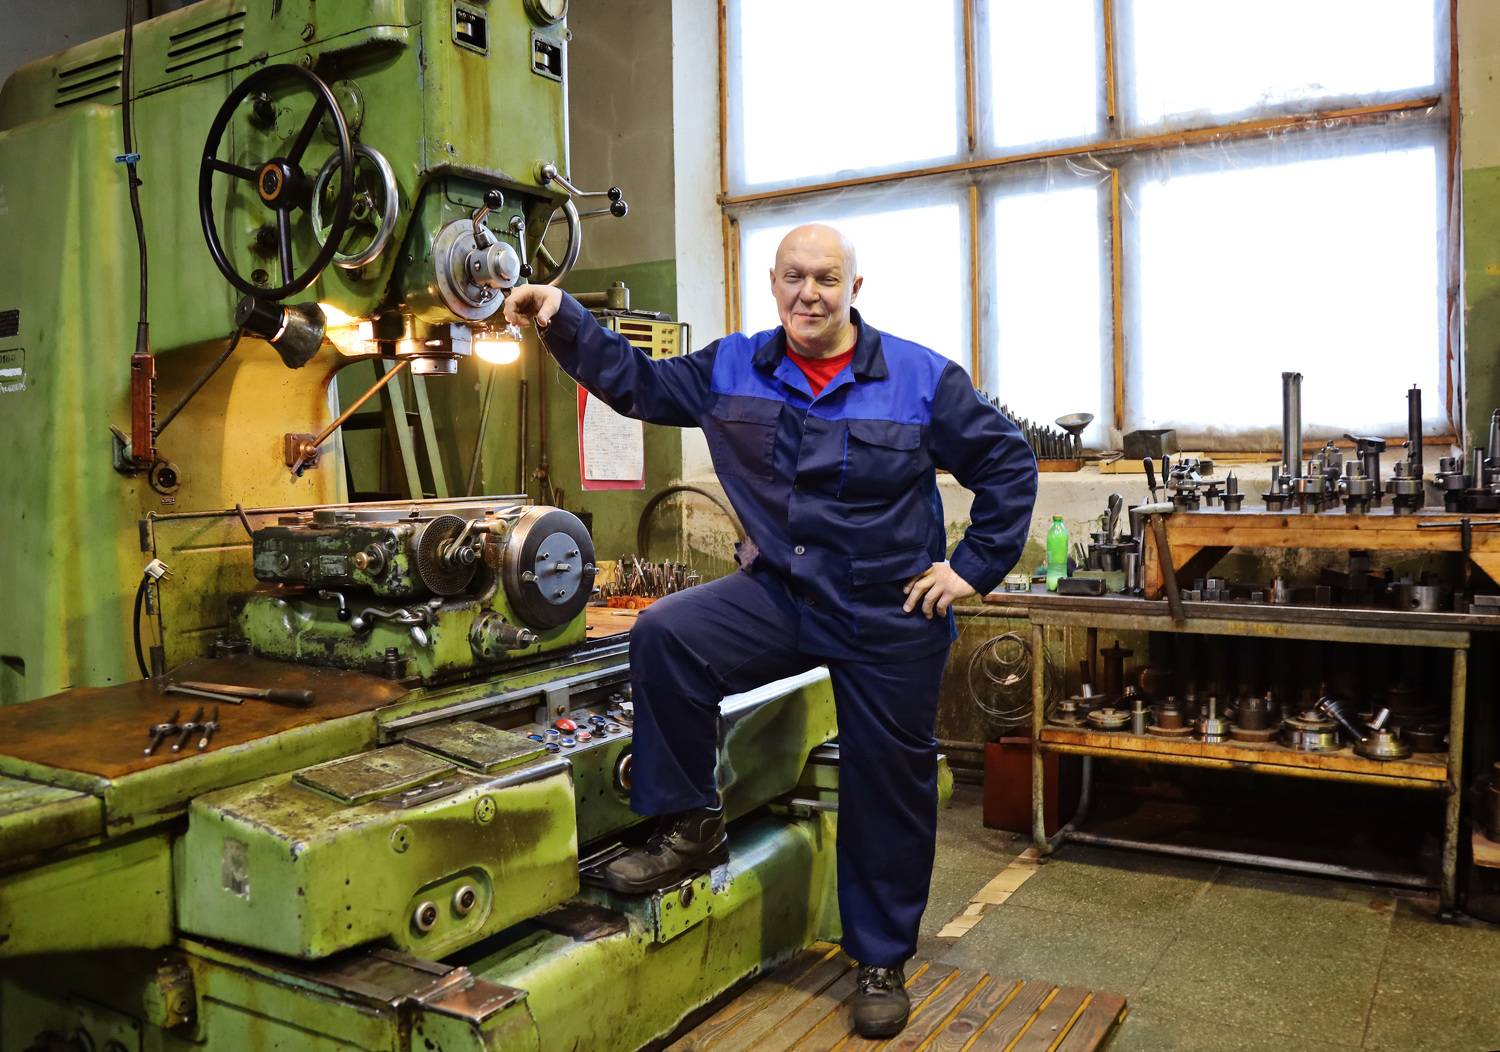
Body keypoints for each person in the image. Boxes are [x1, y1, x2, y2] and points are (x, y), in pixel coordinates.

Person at [503, 223, 1037, 1039]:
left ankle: (880, 958)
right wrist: (562, 316)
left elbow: (1007, 463)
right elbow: (639, 385)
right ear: (773, 281)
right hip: (782, 593)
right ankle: (690, 824)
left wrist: (970, 567)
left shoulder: (922, 378)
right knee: (668, 635)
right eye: (794, 277)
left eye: (826, 279)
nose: (808, 294)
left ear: (854, 289)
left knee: (886, 784)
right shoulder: (732, 367)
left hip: (888, 610)